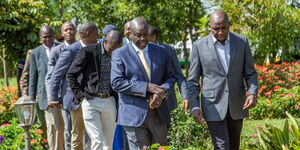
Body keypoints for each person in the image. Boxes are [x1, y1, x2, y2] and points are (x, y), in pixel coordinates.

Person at [187, 10, 258, 150]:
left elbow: (250, 73)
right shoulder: (199, 46)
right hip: (212, 104)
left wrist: (252, 93)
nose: (220, 32)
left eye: (224, 28)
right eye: (216, 29)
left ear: (229, 25)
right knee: (221, 146)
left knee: (234, 145)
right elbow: (192, 80)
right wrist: (194, 106)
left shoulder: (241, 42)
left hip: (237, 104)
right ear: (209, 26)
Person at [111, 17, 175, 149]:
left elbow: (170, 77)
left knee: (161, 148)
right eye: (138, 35)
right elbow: (117, 83)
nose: (142, 39)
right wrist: (147, 87)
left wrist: (161, 92)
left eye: (145, 35)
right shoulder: (119, 54)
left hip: (158, 113)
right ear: (129, 34)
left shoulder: (161, 52)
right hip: (133, 115)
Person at [67, 28, 122, 150]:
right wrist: (81, 96)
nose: (113, 52)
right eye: (111, 49)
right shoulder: (88, 51)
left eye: (116, 49)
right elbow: (71, 74)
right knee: (97, 140)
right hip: (91, 100)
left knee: (109, 144)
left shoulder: (119, 53)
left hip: (109, 100)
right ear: (105, 41)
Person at [49, 22, 97, 150]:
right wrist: (53, 98)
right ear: (88, 35)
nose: (98, 37)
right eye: (96, 34)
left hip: (94, 97)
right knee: (77, 135)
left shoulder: (96, 48)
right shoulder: (71, 51)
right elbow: (56, 75)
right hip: (76, 99)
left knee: (93, 134)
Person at [28, 25, 61, 150]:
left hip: (61, 94)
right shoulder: (35, 53)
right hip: (45, 96)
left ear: (54, 35)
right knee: (52, 126)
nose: (48, 39)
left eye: (50, 36)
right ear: (40, 38)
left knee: (63, 126)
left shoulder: (61, 48)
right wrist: (31, 98)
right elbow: (33, 77)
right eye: (45, 37)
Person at [45, 22, 76, 150]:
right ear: (62, 34)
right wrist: (52, 96)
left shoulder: (83, 47)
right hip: (65, 97)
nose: (69, 31)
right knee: (68, 130)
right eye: (66, 30)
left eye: (71, 29)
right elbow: (50, 77)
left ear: (75, 31)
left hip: (84, 96)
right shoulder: (56, 51)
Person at [148, 25, 189, 112]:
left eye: (145, 36)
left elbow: (178, 75)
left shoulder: (168, 50)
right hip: (145, 103)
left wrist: (185, 96)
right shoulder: (139, 51)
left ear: (153, 37)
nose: (142, 39)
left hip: (166, 102)